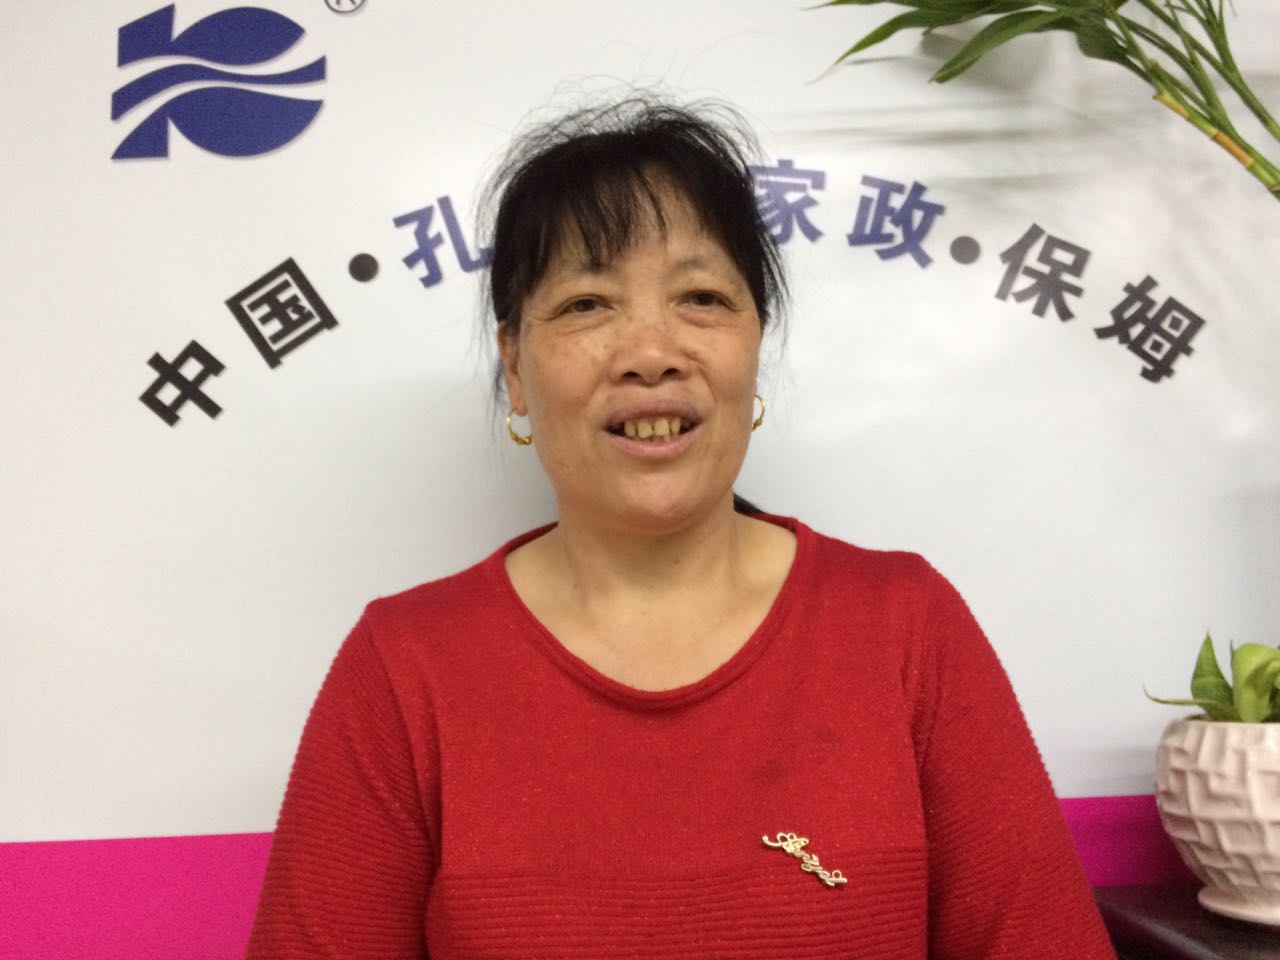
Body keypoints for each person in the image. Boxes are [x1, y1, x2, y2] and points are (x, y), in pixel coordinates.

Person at [246, 97, 1116, 959]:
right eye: (587, 304)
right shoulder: (404, 671)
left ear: (756, 343)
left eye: (701, 298)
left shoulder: (905, 629)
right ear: (514, 366)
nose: (651, 353)